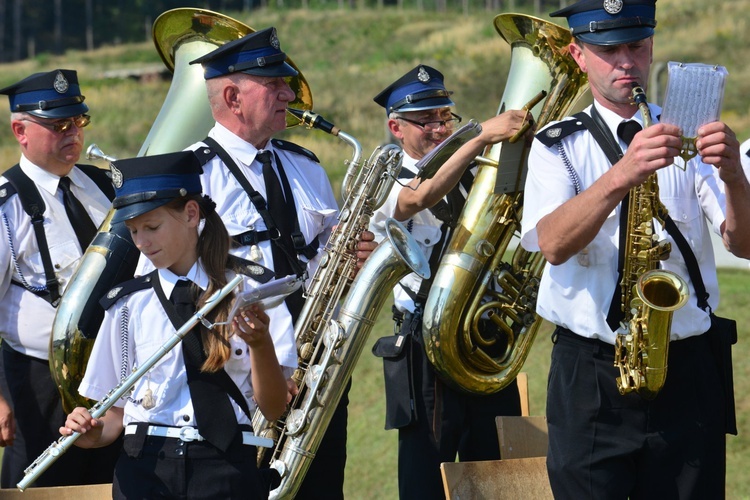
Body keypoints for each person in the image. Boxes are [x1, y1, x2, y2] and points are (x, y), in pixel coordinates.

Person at [520, 0, 750, 498]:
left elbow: (744, 244)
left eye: (637, 46)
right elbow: (553, 245)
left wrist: (734, 177)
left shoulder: (688, 132)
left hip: (687, 366)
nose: (626, 61)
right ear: (579, 56)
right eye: (608, 49)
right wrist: (624, 172)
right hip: (592, 375)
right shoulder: (555, 143)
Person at [185, 27, 376, 498]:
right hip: (240, 381)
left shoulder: (305, 165)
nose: (290, 93)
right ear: (232, 95)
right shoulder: (190, 175)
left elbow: (331, 259)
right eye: (275, 85)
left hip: (319, 372)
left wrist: (356, 260)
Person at [60, 151, 289, 499]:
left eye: (152, 227)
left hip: (225, 466)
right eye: (134, 231)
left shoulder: (251, 290)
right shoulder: (126, 303)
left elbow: (273, 408)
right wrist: (92, 433)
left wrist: (260, 345)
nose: (141, 243)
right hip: (145, 468)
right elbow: (115, 416)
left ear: (191, 213)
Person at [369, 64, 530, 499]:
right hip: (427, 341)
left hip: (483, 333)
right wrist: (478, 136)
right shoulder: (384, 177)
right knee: (427, 479)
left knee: (500, 475)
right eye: (427, 121)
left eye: (446, 117)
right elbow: (419, 197)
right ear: (396, 128)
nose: (440, 129)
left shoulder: (474, 167)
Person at [0, 69, 121, 488]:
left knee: (115, 483)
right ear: (21, 130)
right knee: (43, 484)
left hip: (115, 368)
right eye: (57, 125)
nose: (72, 134)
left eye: (78, 122)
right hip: (41, 382)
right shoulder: (6, 205)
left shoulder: (103, 184)